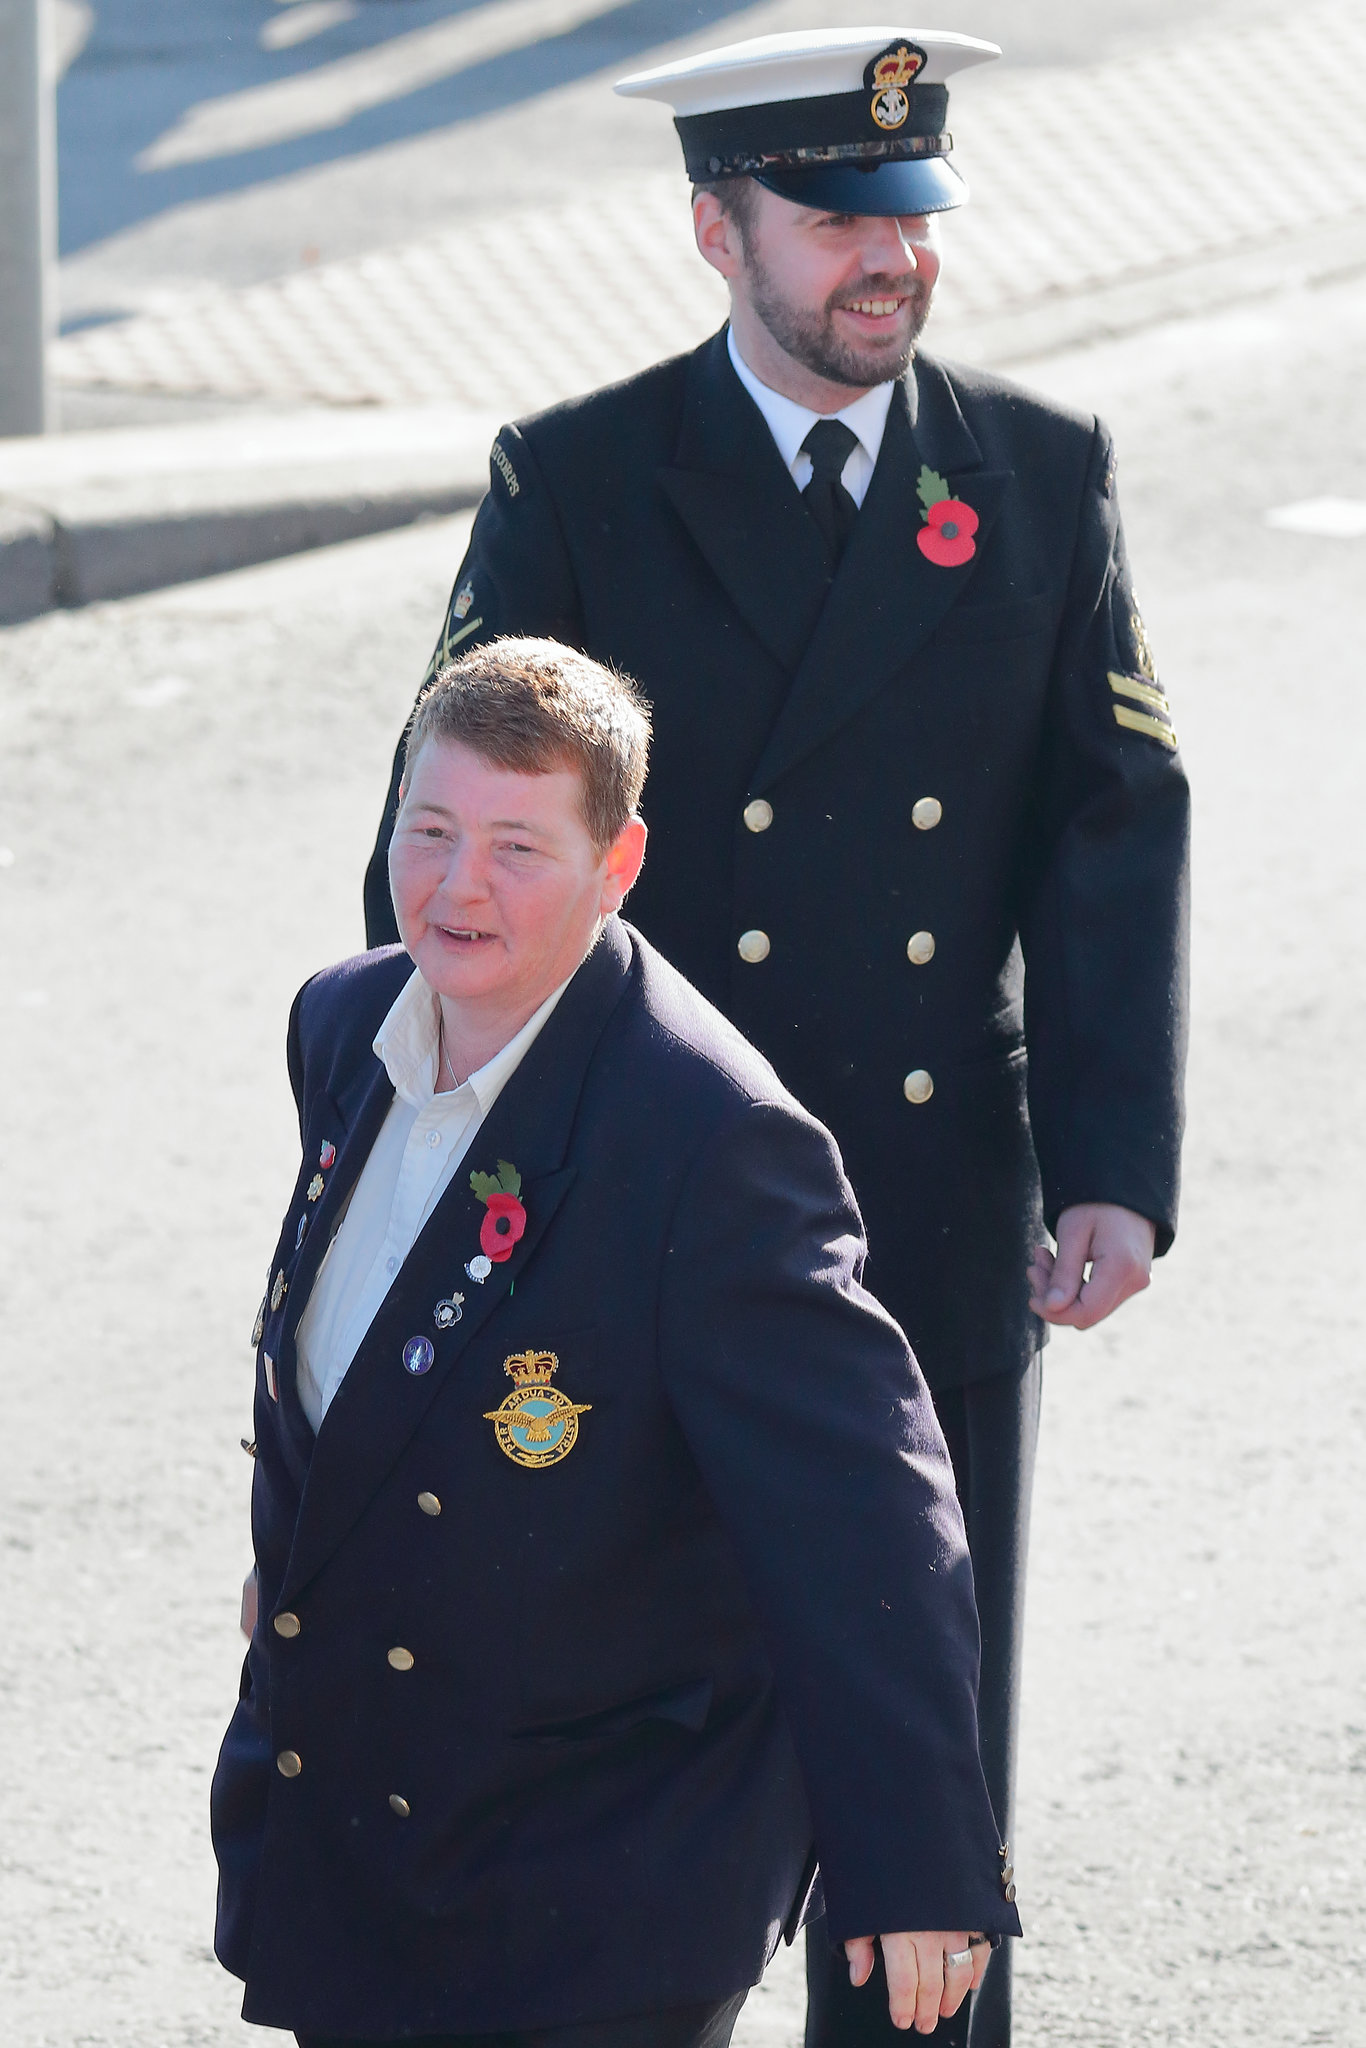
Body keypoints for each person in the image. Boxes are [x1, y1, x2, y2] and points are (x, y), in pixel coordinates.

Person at [361, 29, 1189, 2048]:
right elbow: (454, 842)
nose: (885, 263)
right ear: (712, 228)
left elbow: (1107, 834)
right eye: (834, 220)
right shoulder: (577, 481)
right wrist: (418, 1163)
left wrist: (1105, 1165)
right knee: (611, 1759)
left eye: (909, 220)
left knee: (913, 1773)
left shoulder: (1035, 473)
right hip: (630, 1212)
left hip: (919, 1225)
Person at [214, 638, 1021, 2048]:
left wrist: (916, 1863)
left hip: (594, 1875)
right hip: (366, 1816)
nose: (458, 884)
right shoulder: (344, 1026)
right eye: (431, 829)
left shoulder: (709, 1141)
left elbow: (867, 1514)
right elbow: (363, 1377)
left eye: (518, 846)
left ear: (620, 862)